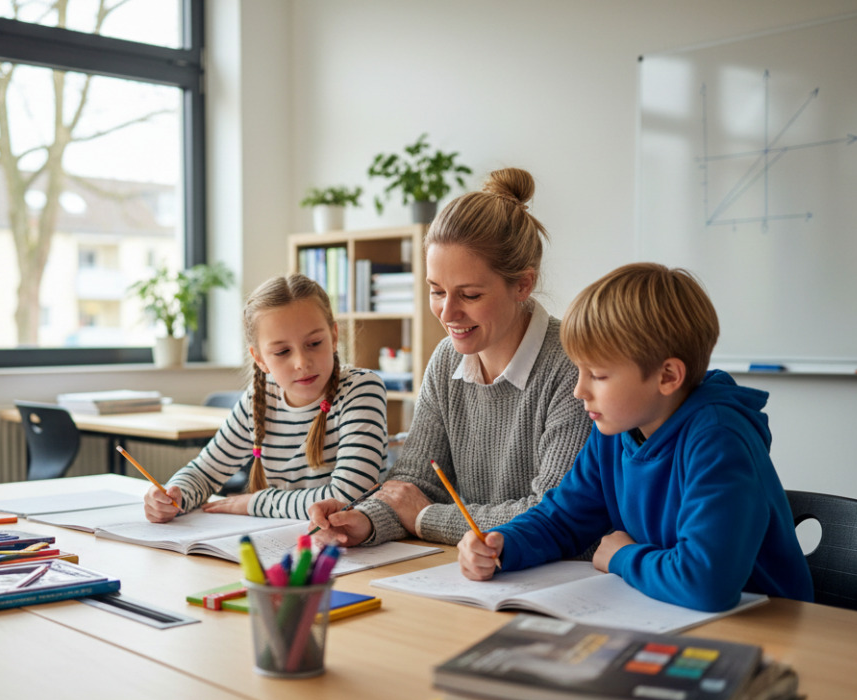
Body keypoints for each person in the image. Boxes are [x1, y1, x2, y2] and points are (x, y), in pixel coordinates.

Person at [459, 262, 814, 611]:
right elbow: (562, 519)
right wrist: (501, 544)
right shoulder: (616, 429)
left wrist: (622, 556)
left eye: (597, 375)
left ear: (667, 376)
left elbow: (707, 583)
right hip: (669, 614)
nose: (579, 390)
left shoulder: (718, 439)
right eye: (579, 371)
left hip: (769, 627)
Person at [308, 168, 591, 547]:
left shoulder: (573, 363)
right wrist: (362, 520)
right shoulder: (446, 360)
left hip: (561, 582)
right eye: (436, 291)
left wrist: (426, 517)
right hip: (472, 572)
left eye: (470, 295)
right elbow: (413, 482)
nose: (447, 313)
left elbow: (553, 514)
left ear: (523, 284)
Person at [143, 273, 387, 522]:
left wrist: (254, 502)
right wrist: (174, 496)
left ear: (334, 337)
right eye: (282, 352)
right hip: (278, 540)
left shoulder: (361, 388)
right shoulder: (260, 398)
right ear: (260, 359)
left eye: (314, 343)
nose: (301, 362)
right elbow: (205, 472)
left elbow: (349, 498)